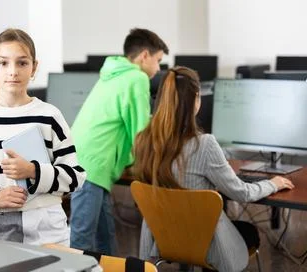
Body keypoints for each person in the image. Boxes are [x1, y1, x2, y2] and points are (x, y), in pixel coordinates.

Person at [132, 66, 295, 272]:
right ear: (196, 101)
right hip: (201, 241)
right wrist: (273, 183)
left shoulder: (144, 141)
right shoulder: (205, 144)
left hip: (162, 238)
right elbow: (241, 193)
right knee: (249, 232)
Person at [0, 28, 86, 246]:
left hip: (48, 223)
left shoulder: (50, 116)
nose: (13, 71)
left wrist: (33, 171)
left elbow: (76, 176)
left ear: (34, 67)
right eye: (3, 63)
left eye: (22, 63)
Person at [70, 28, 169, 255]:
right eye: (158, 61)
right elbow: (140, 132)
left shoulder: (113, 73)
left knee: (105, 237)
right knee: (81, 241)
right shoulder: (137, 78)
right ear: (145, 55)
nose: (159, 69)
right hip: (92, 166)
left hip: (86, 160)